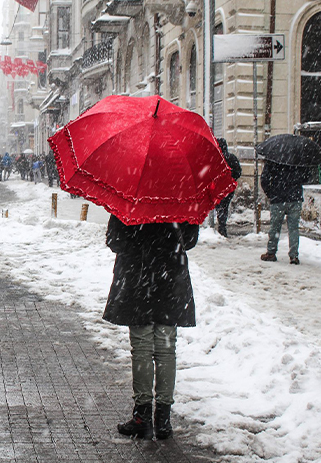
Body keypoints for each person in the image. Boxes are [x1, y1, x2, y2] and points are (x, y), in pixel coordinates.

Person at [105, 215, 200, 441]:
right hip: (171, 278)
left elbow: (115, 240)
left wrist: (139, 242)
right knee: (167, 348)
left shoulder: (132, 196)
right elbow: (190, 239)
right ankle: (163, 419)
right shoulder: (182, 198)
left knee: (141, 347)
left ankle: (142, 416)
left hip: (138, 278)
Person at [260, 160, 307, 264]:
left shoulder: (273, 158)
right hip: (295, 197)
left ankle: (271, 252)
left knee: (275, 227)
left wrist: (270, 193)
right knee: (293, 228)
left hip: (278, 198)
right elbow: (306, 177)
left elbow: (264, 180)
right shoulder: (298, 158)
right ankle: (294, 256)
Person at [214, 138, 242, 237]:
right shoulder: (231, 158)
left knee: (219, 206)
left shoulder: (215, 158)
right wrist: (231, 179)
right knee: (224, 206)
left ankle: (219, 224)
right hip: (229, 187)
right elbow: (238, 172)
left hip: (217, 188)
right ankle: (222, 225)